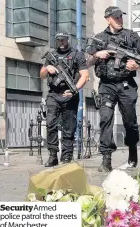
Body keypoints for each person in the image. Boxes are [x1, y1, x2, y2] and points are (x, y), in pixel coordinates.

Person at [84, 6, 140, 172]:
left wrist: (136, 65)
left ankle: (132, 152)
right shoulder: (99, 38)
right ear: (108, 19)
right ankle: (106, 159)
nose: (120, 19)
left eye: (121, 16)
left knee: (130, 122)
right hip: (106, 85)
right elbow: (86, 61)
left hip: (126, 84)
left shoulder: (131, 36)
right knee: (106, 119)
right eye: (116, 17)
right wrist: (98, 54)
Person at [40, 32, 89, 167]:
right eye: (59, 40)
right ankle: (52, 155)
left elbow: (84, 75)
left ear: (68, 39)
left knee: (69, 127)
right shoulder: (52, 56)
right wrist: (47, 68)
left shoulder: (77, 55)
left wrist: (74, 91)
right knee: (50, 124)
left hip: (70, 95)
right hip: (53, 94)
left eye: (63, 39)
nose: (61, 41)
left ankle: (66, 156)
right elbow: (42, 75)